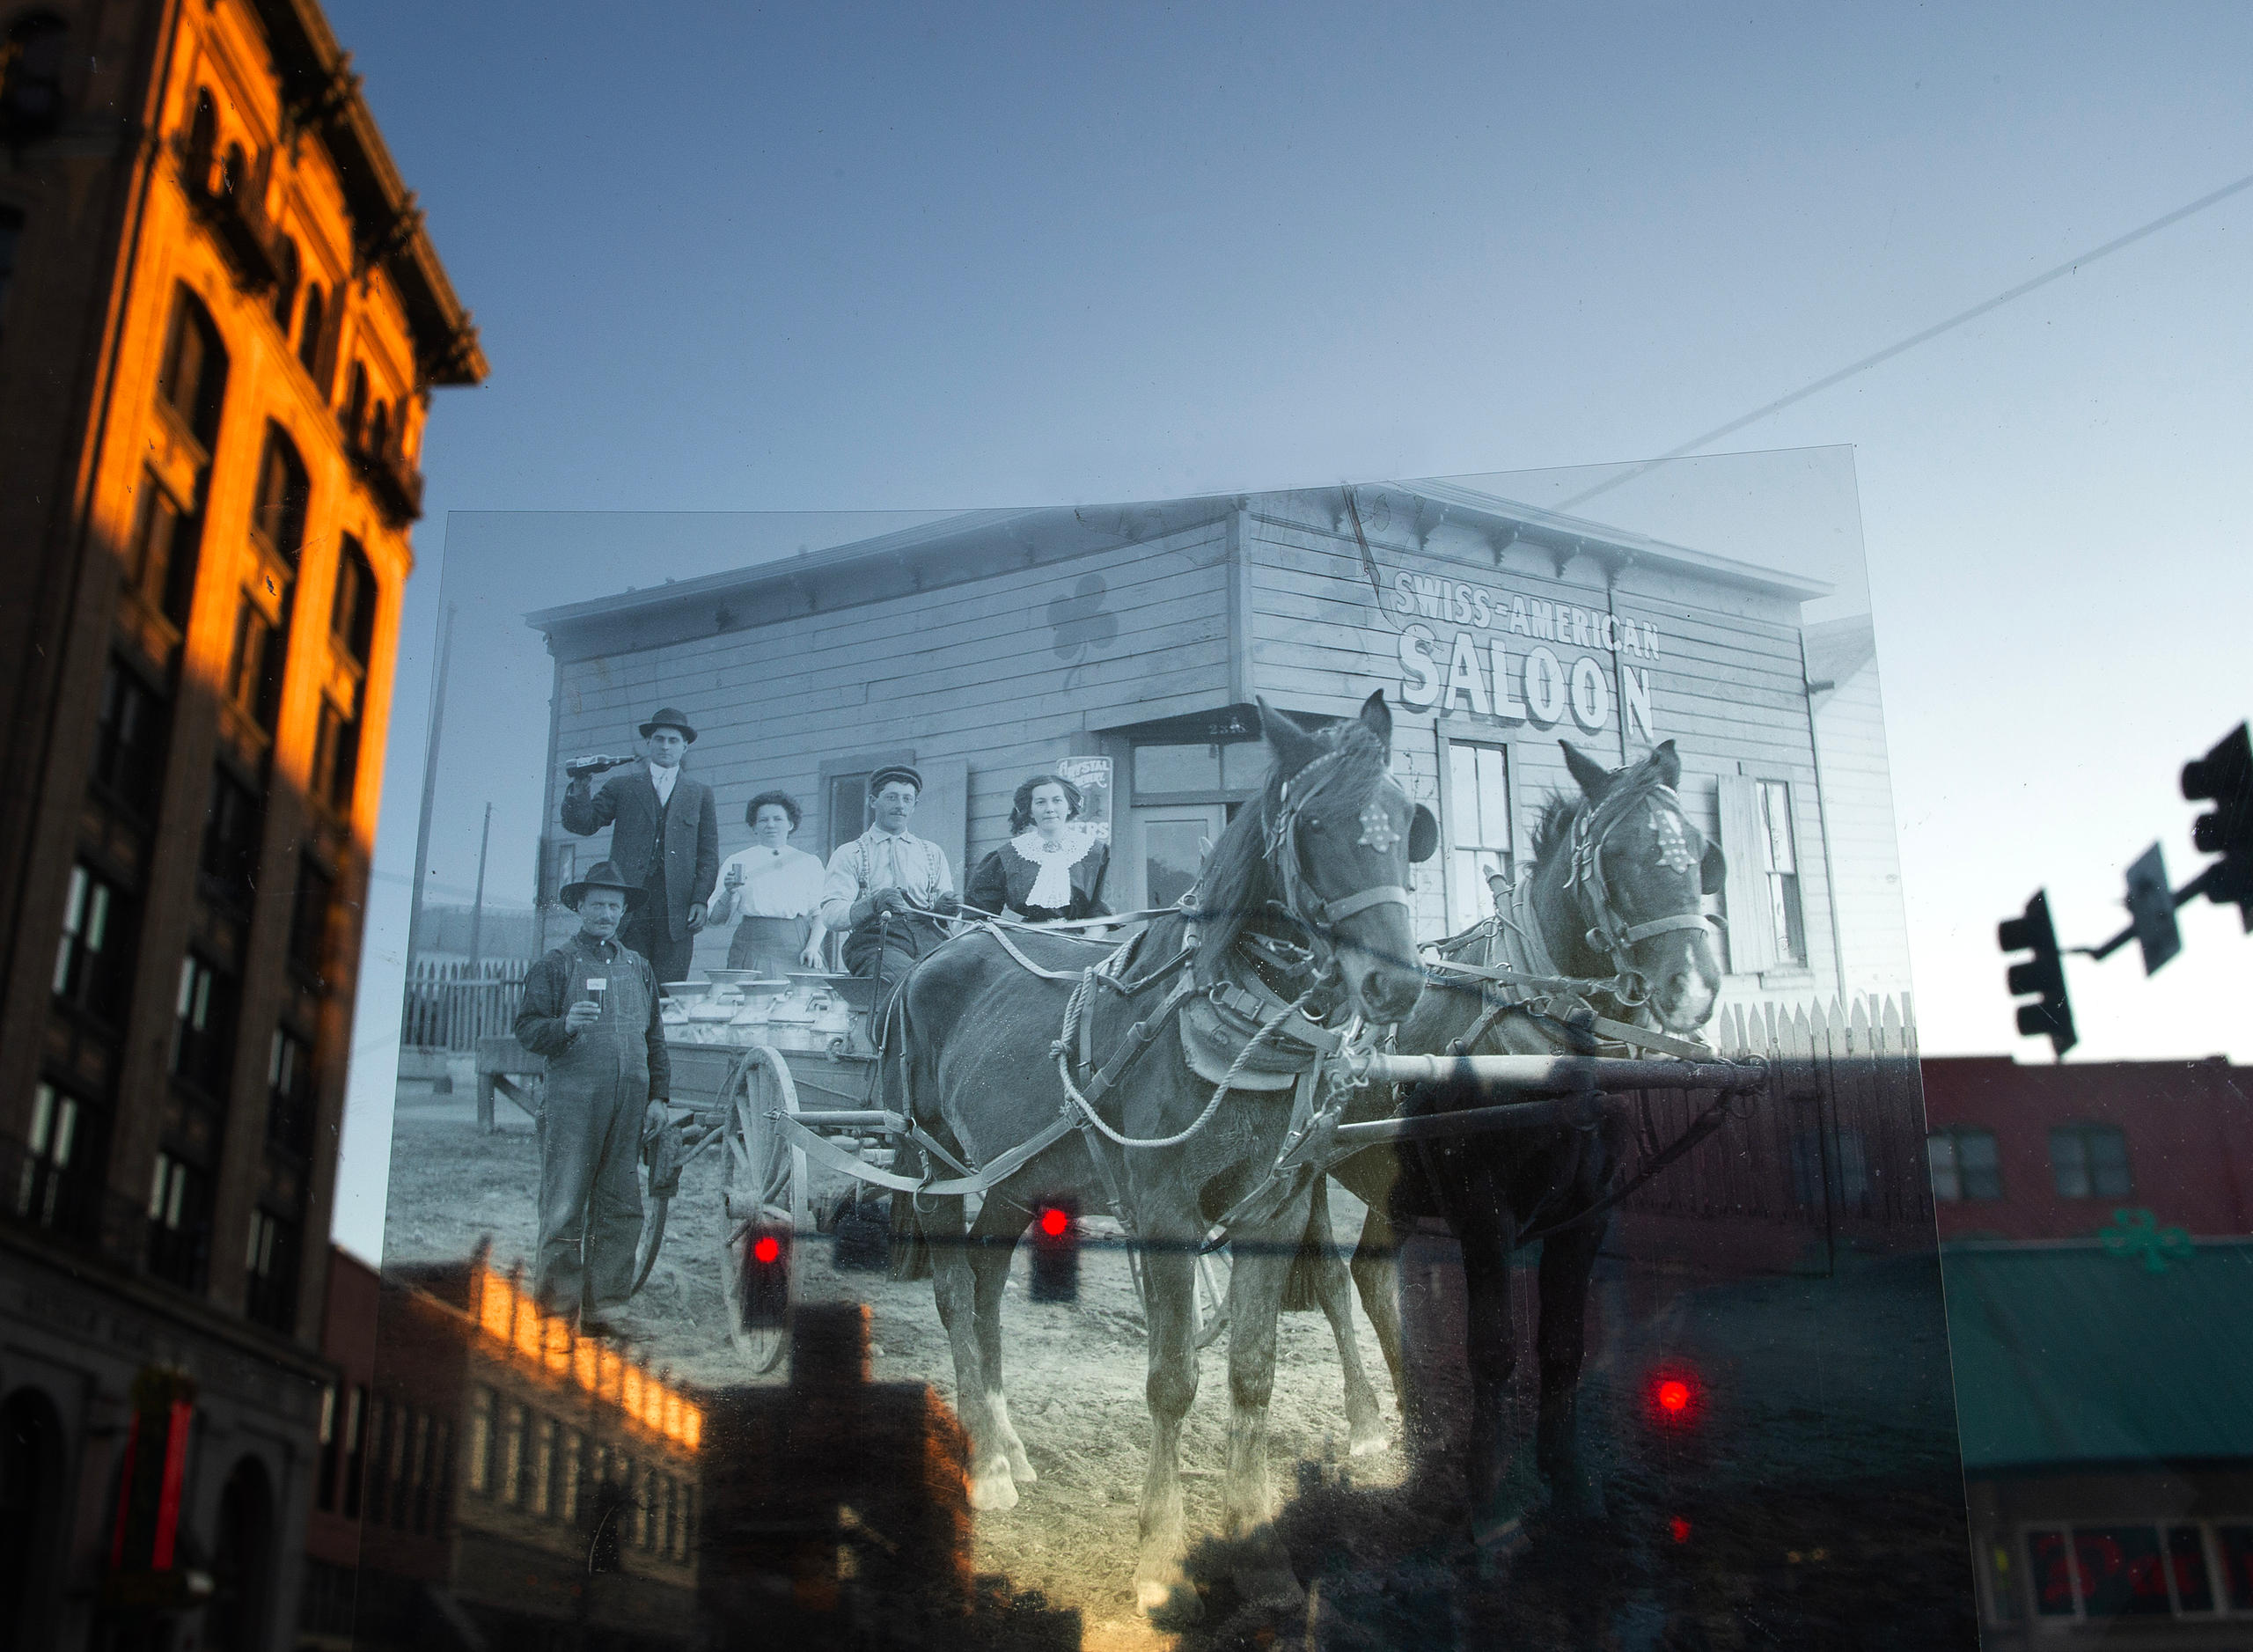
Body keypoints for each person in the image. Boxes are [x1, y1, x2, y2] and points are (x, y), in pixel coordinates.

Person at [512, 860, 671, 1335]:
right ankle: (556, 1318)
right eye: (597, 903)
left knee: (622, 1205)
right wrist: (564, 1026)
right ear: (580, 907)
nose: (606, 912)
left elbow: (656, 1040)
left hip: (631, 1104)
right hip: (574, 1103)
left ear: (623, 913)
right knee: (565, 1204)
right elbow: (526, 1029)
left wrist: (659, 1098)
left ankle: (607, 1311)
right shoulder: (556, 964)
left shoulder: (638, 966)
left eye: (614, 905)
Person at [559, 706, 720, 988]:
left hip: (676, 909)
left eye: (673, 740)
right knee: (626, 982)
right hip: (631, 904)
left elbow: (707, 854)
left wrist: (699, 899)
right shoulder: (623, 786)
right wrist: (580, 786)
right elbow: (583, 824)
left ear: (685, 746)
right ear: (649, 743)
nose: (665, 746)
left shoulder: (700, 793)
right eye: (659, 739)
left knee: (669, 989)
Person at [817, 764, 959, 985]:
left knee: (962, 981)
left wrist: (945, 910)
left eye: (907, 799)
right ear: (873, 801)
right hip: (875, 945)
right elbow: (831, 915)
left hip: (929, 941)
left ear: (915, 805)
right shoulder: (850, 852)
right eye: (892, 798)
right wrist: (871, 904)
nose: (900, 806)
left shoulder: (932, 852)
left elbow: (953, 920)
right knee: (914, 982)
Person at [708, 790, 828, 975]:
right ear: (753, 826)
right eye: (763, 820)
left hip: (798, 945)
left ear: (791, 824)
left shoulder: (808, 862)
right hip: (753, 945)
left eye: (778, 819)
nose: (770, 825)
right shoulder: (738, 860)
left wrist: (812, 947)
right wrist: (729, 892)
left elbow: (821, 913)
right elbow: (717, 919)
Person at [965, 773, 1112, 923]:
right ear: (1030, 811)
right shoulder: (1008, 854)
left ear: (1069, 807)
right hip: (1026, 940)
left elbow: (1101, 914)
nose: (1050, 809)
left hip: (1082, 940)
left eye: (1057, 801)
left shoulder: (1094, 852)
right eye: (1041, 802)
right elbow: (979, 913)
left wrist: (1084, 944)